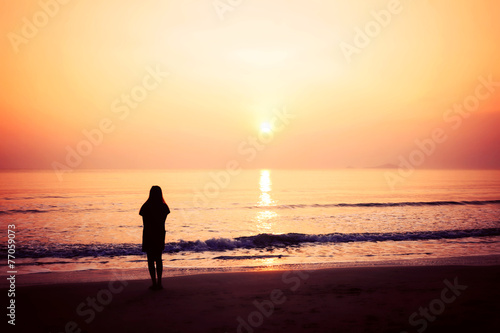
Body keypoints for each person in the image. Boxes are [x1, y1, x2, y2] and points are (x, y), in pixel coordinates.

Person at [139, 185, 170, 290]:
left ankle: (154, 283)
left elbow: (144, 222)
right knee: (159, 259)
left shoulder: (146, 206)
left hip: (148, 234)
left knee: (150, 260)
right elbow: (163, 221)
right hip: (159, 234)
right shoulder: (164, 207)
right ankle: (160, 283)